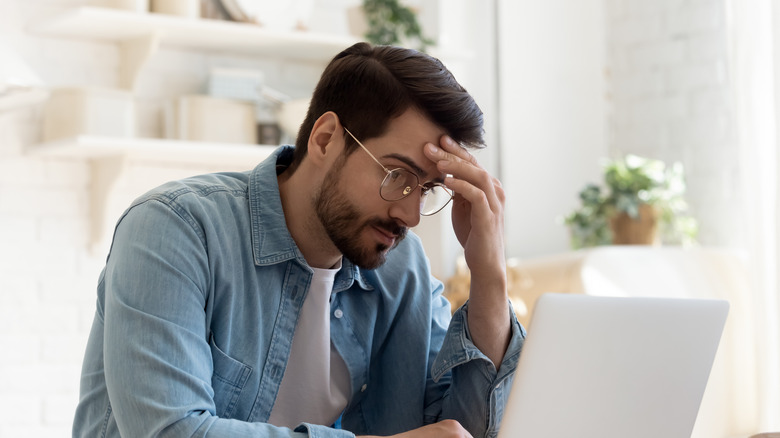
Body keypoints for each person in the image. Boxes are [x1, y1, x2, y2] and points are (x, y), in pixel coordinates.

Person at [73, 42, 525, 438]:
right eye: (396, 175)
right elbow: (170, 432)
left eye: (425, 189)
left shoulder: (402, 269)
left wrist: (489, 275)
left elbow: (465, 428)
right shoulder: (175, 230)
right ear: (326, 139)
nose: (408, 214)